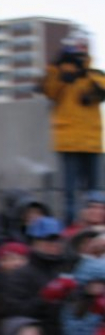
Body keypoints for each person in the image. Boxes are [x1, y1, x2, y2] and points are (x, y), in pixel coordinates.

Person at [40, 30, 105, 225]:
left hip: (91, 141)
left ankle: (96, 223)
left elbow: (101, 90)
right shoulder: (60, 75)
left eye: (83, 47)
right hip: (68, 141)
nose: (80, 51)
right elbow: (50, 91)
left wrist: (83, 74)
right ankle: (71, 224)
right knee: (69, 192)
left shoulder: (94, 74)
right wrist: (57, 67)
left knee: (95, 191)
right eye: (77, 46)